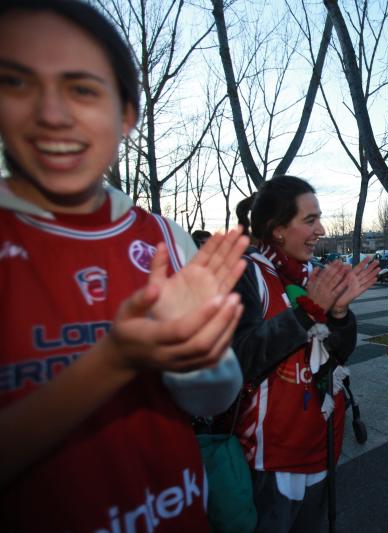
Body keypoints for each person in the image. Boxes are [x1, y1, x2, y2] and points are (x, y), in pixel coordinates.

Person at [0, 2, 248, 531]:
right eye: (16, 83)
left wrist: (195, 354)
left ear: (127, 115)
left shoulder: (160, 236)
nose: (51, 113)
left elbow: (217, 395)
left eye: (82, 89)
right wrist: (115, 360)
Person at [233, 175, 379, 533]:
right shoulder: (246, 274)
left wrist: (340, 313)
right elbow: (240, 359)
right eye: (310, 220)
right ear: (278, 229)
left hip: (321, 445)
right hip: (272, 458)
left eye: (319, 218)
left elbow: (336, 356)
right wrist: (309, 310)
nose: (322, 230)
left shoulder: (309, 274)